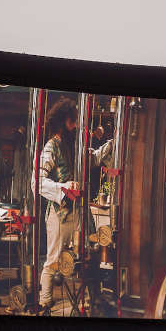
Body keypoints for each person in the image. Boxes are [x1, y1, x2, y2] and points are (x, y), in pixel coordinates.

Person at [35, 98, 112, 314]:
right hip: (60, 213)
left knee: (89, 254)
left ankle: (91, 299)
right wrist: (63, 187)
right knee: (53, 259)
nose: (76, 126)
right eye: (73, 122)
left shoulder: (74, 146)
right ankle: (45, 300)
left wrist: (111, 145)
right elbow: (37, 182)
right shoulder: (51, 147)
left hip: (79, 211)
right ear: (62, 122)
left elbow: (93, 159)